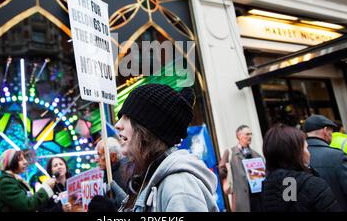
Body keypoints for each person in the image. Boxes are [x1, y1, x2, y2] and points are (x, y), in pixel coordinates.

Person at [111, 83, 218, 212]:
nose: (118, 124)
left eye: (127, 117)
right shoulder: (148, 178)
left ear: (148, 129)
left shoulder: (179, 187)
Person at [260, 124, 340, 212]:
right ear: (295, 153)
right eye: (306, 148)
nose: (309, 153)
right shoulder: (313, 185)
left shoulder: (267, 187)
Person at [304, 114, 347, 212]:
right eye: (331, 131)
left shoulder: (297, 158)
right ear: (325, 131)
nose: (332, 135)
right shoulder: (337, 156)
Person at [218, 125, 263, 212]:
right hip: (240, 198)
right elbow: (221, 171)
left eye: (251, 134)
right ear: (239, 136)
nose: (250, 136)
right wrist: (226, 174)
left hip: (256, 199)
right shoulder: (230, 153)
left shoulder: (257, 155)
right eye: (247, 134)